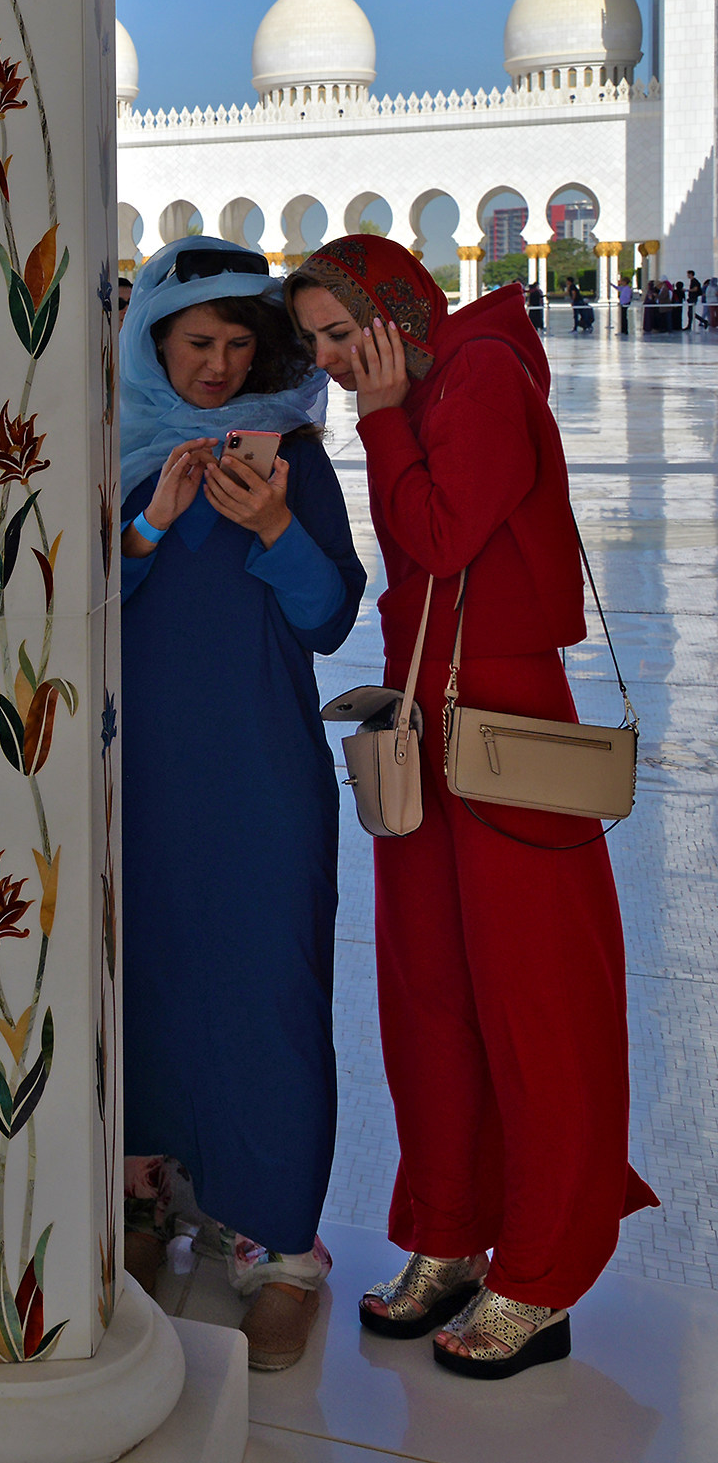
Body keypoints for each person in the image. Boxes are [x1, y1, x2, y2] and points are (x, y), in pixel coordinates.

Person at [287, 236, 658, 1380]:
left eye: (345, 334)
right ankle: (447, 1231)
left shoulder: (485, 369)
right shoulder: (422, 385)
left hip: (505, 734)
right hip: (424, 721)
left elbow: (444, 534)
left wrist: (386, 415)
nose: (339, 363)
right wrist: (388, 413)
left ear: (395, 307)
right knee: (430, 995)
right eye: (319, 347)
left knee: (535, 1006)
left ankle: (542, 1272)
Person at [117, 238, 366, 1372]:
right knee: (148, 973)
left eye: (235, 345)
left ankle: (278, 1247)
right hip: (137, 774)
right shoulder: (117, 454)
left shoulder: (294, 453)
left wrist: (272, 525)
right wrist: (155, 521)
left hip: (258, 770)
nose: (217, 367)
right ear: (153, 345)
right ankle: (150, 1194)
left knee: (264, 985)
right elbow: (72, 602)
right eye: (195, 344)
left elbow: (327, 617)